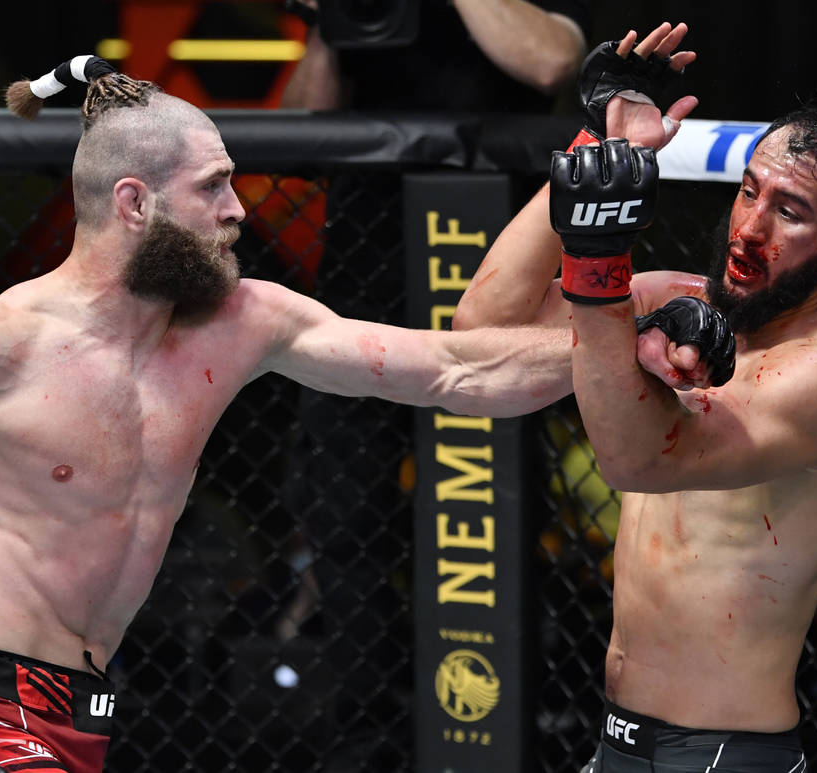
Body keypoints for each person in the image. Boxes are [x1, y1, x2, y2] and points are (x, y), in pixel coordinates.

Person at [0, 56, 714, 772]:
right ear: (134, 203)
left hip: (74, 714)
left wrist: (619, 334)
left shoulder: (242, 322)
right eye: (212, 187)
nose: (239, 209)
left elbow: (459, 371)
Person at [455, 22, 817, 772]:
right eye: (749, 192)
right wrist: (594, 150)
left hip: (727, 752)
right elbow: (483, 329)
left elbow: (634, 457)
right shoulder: (681, 302)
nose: (750, 227)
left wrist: (600, 273)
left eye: (789, 213)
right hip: (620, 739)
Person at [278, 2, 593, 759]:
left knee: (492, 499)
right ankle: (372, 730)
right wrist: (329, 23)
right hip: (368, 267)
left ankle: (509, 715)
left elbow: (553, 61)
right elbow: (301, 122)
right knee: (341, 509)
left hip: (494, 273)